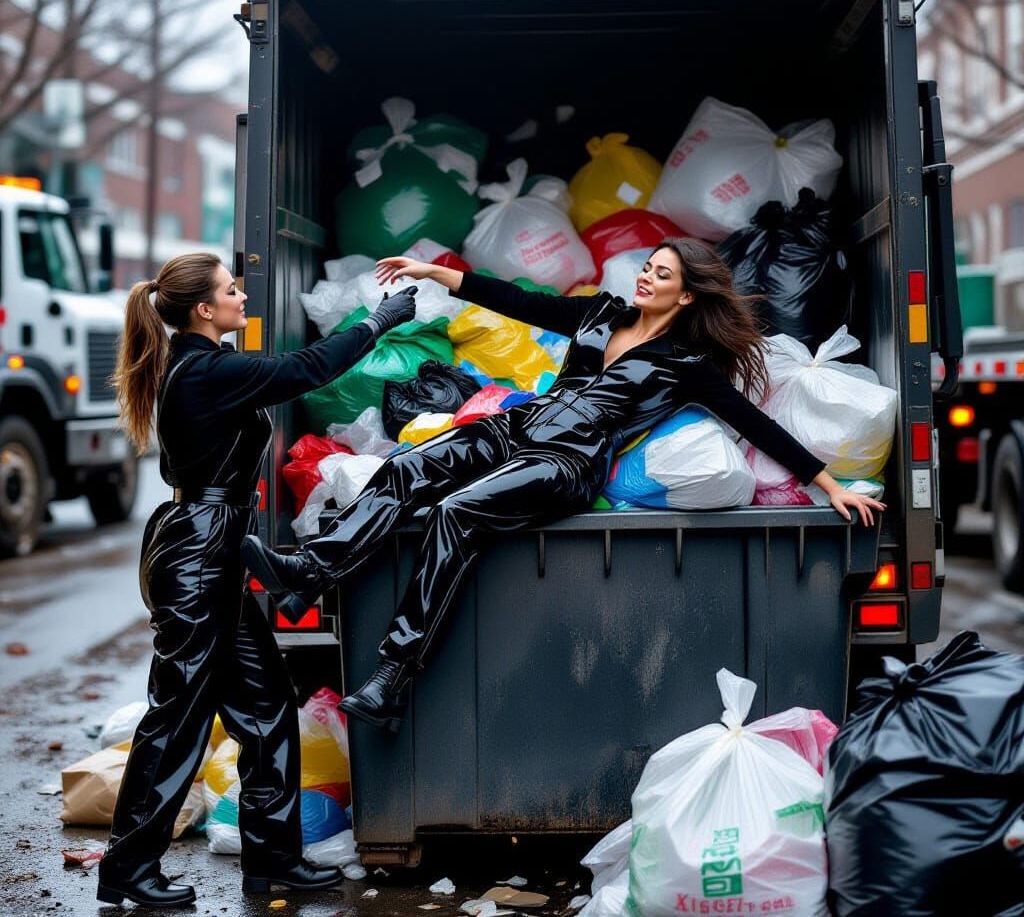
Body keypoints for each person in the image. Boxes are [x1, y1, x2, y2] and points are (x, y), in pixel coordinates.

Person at [242, 240, 885, 734]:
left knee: (457, 513)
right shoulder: (602, 315)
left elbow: (757, 425)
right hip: (519, 424)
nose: (646, 277)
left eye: (663, 274)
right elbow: (524, 305)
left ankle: (390, 676)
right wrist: (444, 277)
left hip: (569, 462)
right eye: (648, 267)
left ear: (687, 296)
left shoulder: (689, 363)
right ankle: (309, 567)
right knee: (407, 469)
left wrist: (828, 484)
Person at [96, 251, 416, 908]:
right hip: (198, 555)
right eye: (231, 290)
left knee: (268, 708)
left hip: (214, 550)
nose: (243, 297)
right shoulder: (206, 368)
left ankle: (272, 861)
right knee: (176, 718)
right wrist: (378, 319)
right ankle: (127, 869)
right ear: (204, 311)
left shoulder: (203, 366)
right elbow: (308, 369)